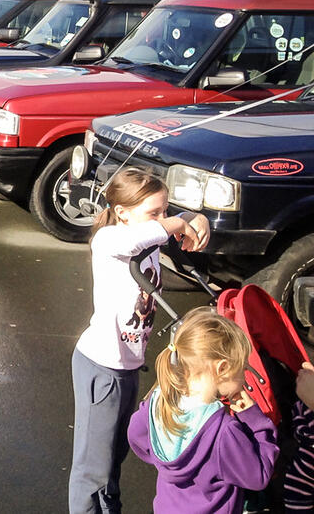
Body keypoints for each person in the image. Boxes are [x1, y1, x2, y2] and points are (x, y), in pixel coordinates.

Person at [68, 167, 211, 514]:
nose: (163, 219)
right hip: (102, 368)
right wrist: (178, 224)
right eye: (154, 213)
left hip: (128, 367)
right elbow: (138, 238)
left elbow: (162, 226)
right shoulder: (110, 240)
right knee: (93, 471)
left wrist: (197, 217)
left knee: (113, 459)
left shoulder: (145, 234)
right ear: (122, 213)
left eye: (165, 210)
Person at [128, 309, 278, 514]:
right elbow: (259, 475)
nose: (244, 377)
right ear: (222, 368)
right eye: (242, 368)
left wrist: (165, 462)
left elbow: (136, 434)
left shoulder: (159, 403)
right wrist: (255, 421)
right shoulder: (223, 432)